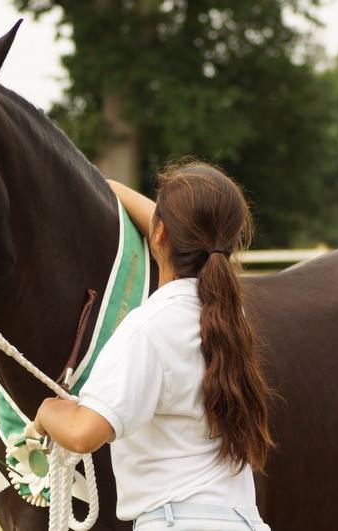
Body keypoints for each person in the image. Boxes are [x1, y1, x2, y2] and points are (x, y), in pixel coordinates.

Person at [34, 160, 275, 530]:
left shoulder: (148, 328)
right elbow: (195, 237)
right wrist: (107, 185)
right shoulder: (230, 317)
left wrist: (47, 413)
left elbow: (83, 434)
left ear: (159, 234)